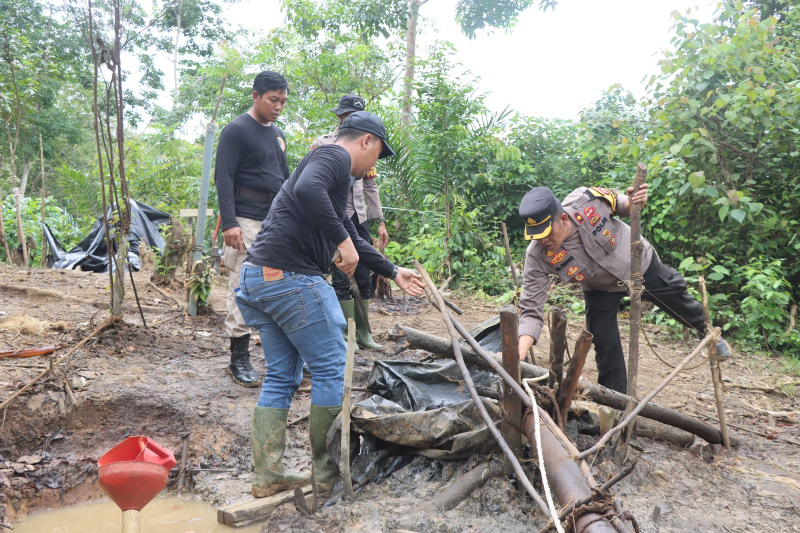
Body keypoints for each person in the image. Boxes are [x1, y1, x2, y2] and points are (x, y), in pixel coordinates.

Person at [235, 111, 426, 498]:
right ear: (367, 141)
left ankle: (267, 475)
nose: (373, 168)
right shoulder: (334, 157)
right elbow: (310, 193)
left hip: (261, 276)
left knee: (281, 377)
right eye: (377, 157)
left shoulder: (332, 176)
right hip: (291, 278)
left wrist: (391, 270)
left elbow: (352, 230)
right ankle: (326, 474)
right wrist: (341, 243)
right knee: (330, 367)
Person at [517, 184, 730, 394]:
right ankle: (615, 401)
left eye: (546, 232)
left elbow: (623, 205)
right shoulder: (537, 256)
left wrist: (632, 202)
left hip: (638, 264)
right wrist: (518, 352)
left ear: (563, 219)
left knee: (676, 296)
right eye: (535, 234)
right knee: (602, 340)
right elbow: (531, 308)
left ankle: (707, 331)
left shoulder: (586, 200)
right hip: (600, 288)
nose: (542, 240)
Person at [214, 71, 290, 387]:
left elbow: (284, 180)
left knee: (272, 284)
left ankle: (278, 354)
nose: (278, 107)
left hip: (273, 222)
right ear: (255, 96)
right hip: (244, 220)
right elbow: (224, 177)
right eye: (273, 99)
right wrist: (230, 223)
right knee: (241, 286)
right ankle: (238, 359)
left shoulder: (278, 135)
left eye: (283, 101)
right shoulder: (236, 130)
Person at [312, 94, 390, 350]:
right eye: (346, 115)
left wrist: (380, 220)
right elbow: (312, 187)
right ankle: (345, 333)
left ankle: (364, 332)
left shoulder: (368, 145)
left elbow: (370, 184)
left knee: (364, 276)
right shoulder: (323, 143)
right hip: (333, 216)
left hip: (357, 217)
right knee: (341, 275)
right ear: (339, 116)